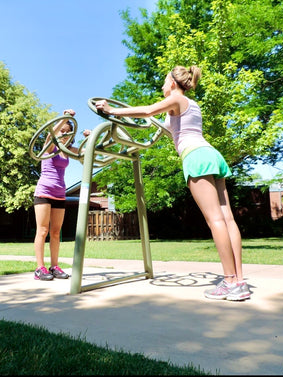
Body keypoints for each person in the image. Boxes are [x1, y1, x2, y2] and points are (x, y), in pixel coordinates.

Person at [95, 66, 251, 301]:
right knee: (227, 217)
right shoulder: (188, 105)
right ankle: (239, 280)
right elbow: (164, 129)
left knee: (215, 220)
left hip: (196, 157)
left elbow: (148, 111)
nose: (162, 87)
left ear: (173, 83)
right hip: (211, 154)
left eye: (164, 82)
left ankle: (230, 282)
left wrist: (112, 111)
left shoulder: (177, 99)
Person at [33, 109, 90, 281]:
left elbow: (85, 152)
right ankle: (40, 268)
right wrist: (65, 117)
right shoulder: (49, 146)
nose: (64, 134)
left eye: (68, 132)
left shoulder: (67, 149)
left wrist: (89, 137)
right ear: (57, 131)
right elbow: (51, 134)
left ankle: (54, 266)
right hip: (44, 192)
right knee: (42, 231)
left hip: (60, 193)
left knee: (56, 232)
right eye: (62, 131)